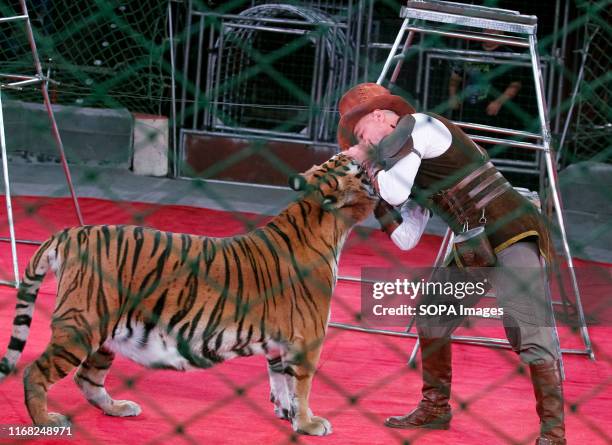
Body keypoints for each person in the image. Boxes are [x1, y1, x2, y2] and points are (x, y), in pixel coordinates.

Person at [337, 82, 566, 445]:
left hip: (510, 229)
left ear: (379, 115)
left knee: (529, 330)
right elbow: (407, 238)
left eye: (364, 135)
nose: (366, 145)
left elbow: (393, 190)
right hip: (471, 244)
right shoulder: (402, 162)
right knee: (432, 315)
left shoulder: (419, 126)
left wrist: (369, 173)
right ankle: (435, 407)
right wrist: (373, 197)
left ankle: (553, 434)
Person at [448, 34, 522, 126]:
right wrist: (453, 95)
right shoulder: (471, 50)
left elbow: (515, 84)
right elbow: (456, 75)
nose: (489, 32)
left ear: (501, 32)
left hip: (492, 113)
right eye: (487, 29)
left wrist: (498, 102)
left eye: (493, 30)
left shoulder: (508, 54)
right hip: (465, 110)